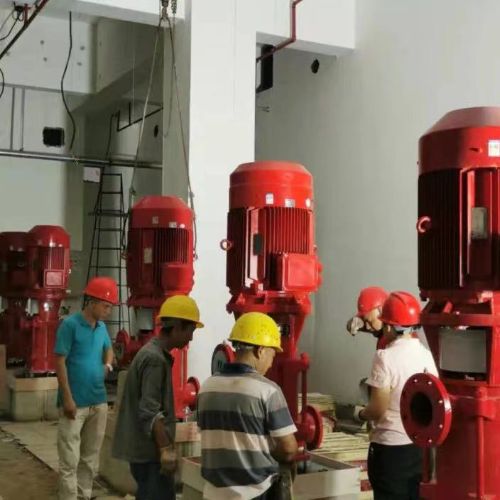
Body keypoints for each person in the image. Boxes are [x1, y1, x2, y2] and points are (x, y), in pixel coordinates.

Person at [197, 312, 298, 500]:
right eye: (272, 354)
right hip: (254, 493)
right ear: (260, 350)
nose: (271, 363)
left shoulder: (206, 387)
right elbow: (289, 449)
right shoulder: (267, 390)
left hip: (212, 493)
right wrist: (267, 447)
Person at [112, 295, 204, 500]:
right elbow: (150, 411)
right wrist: (165, 449)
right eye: (190, 331)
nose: (191, 338)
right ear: (177, 327)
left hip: (145, 453)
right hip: (149, 455)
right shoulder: (155, 359)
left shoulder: (152, 353)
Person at [355, 291, 438, 500]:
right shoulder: (427, 355)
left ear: (389, 326)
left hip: (390, 449)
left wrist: (360, 414)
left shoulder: (384, 357)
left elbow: (378, 409)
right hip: (418, 447)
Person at [54, 276, 117, 500]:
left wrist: (107, 365)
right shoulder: (70, 326)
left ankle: (84, 496)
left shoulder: (101, 328)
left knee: (89, 460)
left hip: (98, 402)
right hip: (74, 404)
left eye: (110, 307)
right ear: (91, 302)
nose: (109, 311)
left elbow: (109, 349)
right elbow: (59, 361)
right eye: (106, 306)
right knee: (69, 461)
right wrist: (67, 398)